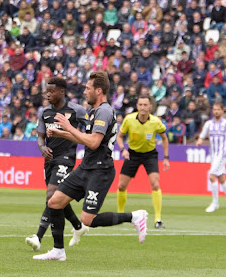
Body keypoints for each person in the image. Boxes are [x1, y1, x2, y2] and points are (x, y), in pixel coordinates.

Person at [34, 72, 148, 261]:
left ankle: (134, 217)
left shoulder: (104, 111)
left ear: (99, 90)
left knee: (88, 221)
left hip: (101, 170)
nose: (85, 91)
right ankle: (58, 250)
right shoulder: (93, 111)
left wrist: (68, 128)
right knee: (54, 202)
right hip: (86, 167)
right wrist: (61, 133)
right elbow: (84, 139)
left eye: (88, 88)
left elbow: (94, 142)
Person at [26, 77, 89, 252]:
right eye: (47, 91)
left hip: (66, 159)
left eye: (51, 91)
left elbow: (90, 129)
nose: (48, 94)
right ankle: (78, 226)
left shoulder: (76, 110)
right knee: (57, 199)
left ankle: (38, 237)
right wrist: (42, 147)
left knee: (51, 195)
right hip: (49, 161)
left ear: (62, 91)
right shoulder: (45, 112)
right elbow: (40, 136)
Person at [116, 96, 170, 228]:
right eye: (140, 104)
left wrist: (166, 158)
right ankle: (120, 215)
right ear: (137, 106)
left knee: (155, 184)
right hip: (132, 153)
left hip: (149, 154)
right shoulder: (129, 119)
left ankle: (158, 219)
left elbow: (164, 138)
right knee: (121, 186)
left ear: (150, 107)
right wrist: (123, 149)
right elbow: (119, 136)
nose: (143, 107)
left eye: (146, 105)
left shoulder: (156, 122)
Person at [195, 103, 226, 213]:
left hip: (222, 154)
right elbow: (202, 136)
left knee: (212, 176)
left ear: (223, 111)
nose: (216, 111)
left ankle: (215, 203)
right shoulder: (209, 124)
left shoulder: (225, 124)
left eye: (218, 109)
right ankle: (216, 202)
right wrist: (199, 141)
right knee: (221, 177)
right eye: (214, 109)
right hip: (213, 154)